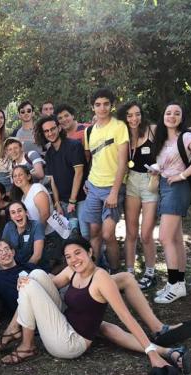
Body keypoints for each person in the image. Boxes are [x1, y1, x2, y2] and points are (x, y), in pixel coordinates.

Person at [0, 238, 191, 371]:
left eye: (78, 253)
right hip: (67, 324)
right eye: (69, 257)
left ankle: (27, 345)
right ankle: (169, 352)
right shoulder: (72, 270)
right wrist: (23, 283)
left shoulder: (102, 279)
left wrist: (151, 355)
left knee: (30, 284)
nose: (74, 260)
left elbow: (126, 318)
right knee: (34, 276)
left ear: (90, 252)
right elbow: (47, 284)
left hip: (69, 343)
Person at [152, 102, 191, 304]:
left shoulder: (187, 136)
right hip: (164, 186)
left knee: (165, 237)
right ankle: (178, 283)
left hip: (178, 188)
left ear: (182, 117)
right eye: (168, 112)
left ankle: (175, 285)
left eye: (177, 113)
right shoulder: (161, 140)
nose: (172, 116)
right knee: (175, 239)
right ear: (163, 116)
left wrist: (183, 175)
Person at [82, 88, 129, 272]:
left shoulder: (119, 127)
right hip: (93, 186)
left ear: (111, 105)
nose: (102, 108)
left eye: (106, 104)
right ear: (93, 107)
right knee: (94, 232)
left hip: (112, 187)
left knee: (108, 234)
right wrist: (88, 180)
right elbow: (92, 159)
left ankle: (116, 272)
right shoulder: (89, 131)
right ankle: (96, 270)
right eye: (98, 105)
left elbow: (122, 162)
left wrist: (115, 192)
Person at [117, 101, 158, 289]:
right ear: (124, 117)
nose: (134, 118)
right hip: (131, 181)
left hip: (150, 182)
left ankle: (150, 272)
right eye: (130, 115)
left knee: (146, 233)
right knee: (131, 232)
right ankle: (130, 272)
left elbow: (174, 140)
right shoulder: (122, 135)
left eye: (137, 114)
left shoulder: (152, 130)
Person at [35, 115, 87, 236]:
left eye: (52, 129)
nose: (50, 133)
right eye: (46, 131)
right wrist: (57, 203)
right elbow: (52, 180)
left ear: (59, 128)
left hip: (81, 199)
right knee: (69, 237)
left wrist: (72, 201)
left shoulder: (74, 146)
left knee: (86, 234)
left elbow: (79, 173)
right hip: (63, 203)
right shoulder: (49, 154)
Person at [0, 240, 38, 324]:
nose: (4, 253)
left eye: (6, 249)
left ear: (13, 252)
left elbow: (50, 279)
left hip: (41, 301)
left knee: (38, 274)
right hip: (24, 315)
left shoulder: (29, 266)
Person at [1, 200, 45, 266]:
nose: (17, 215)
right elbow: (3, 248)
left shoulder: (36, 225)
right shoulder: (9, 226)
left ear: (26, 212)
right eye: (13, 213)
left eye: (20, 211)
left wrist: (23, 271)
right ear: (10, 217)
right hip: (13, 265)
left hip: (33, 266)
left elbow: (37, 256)